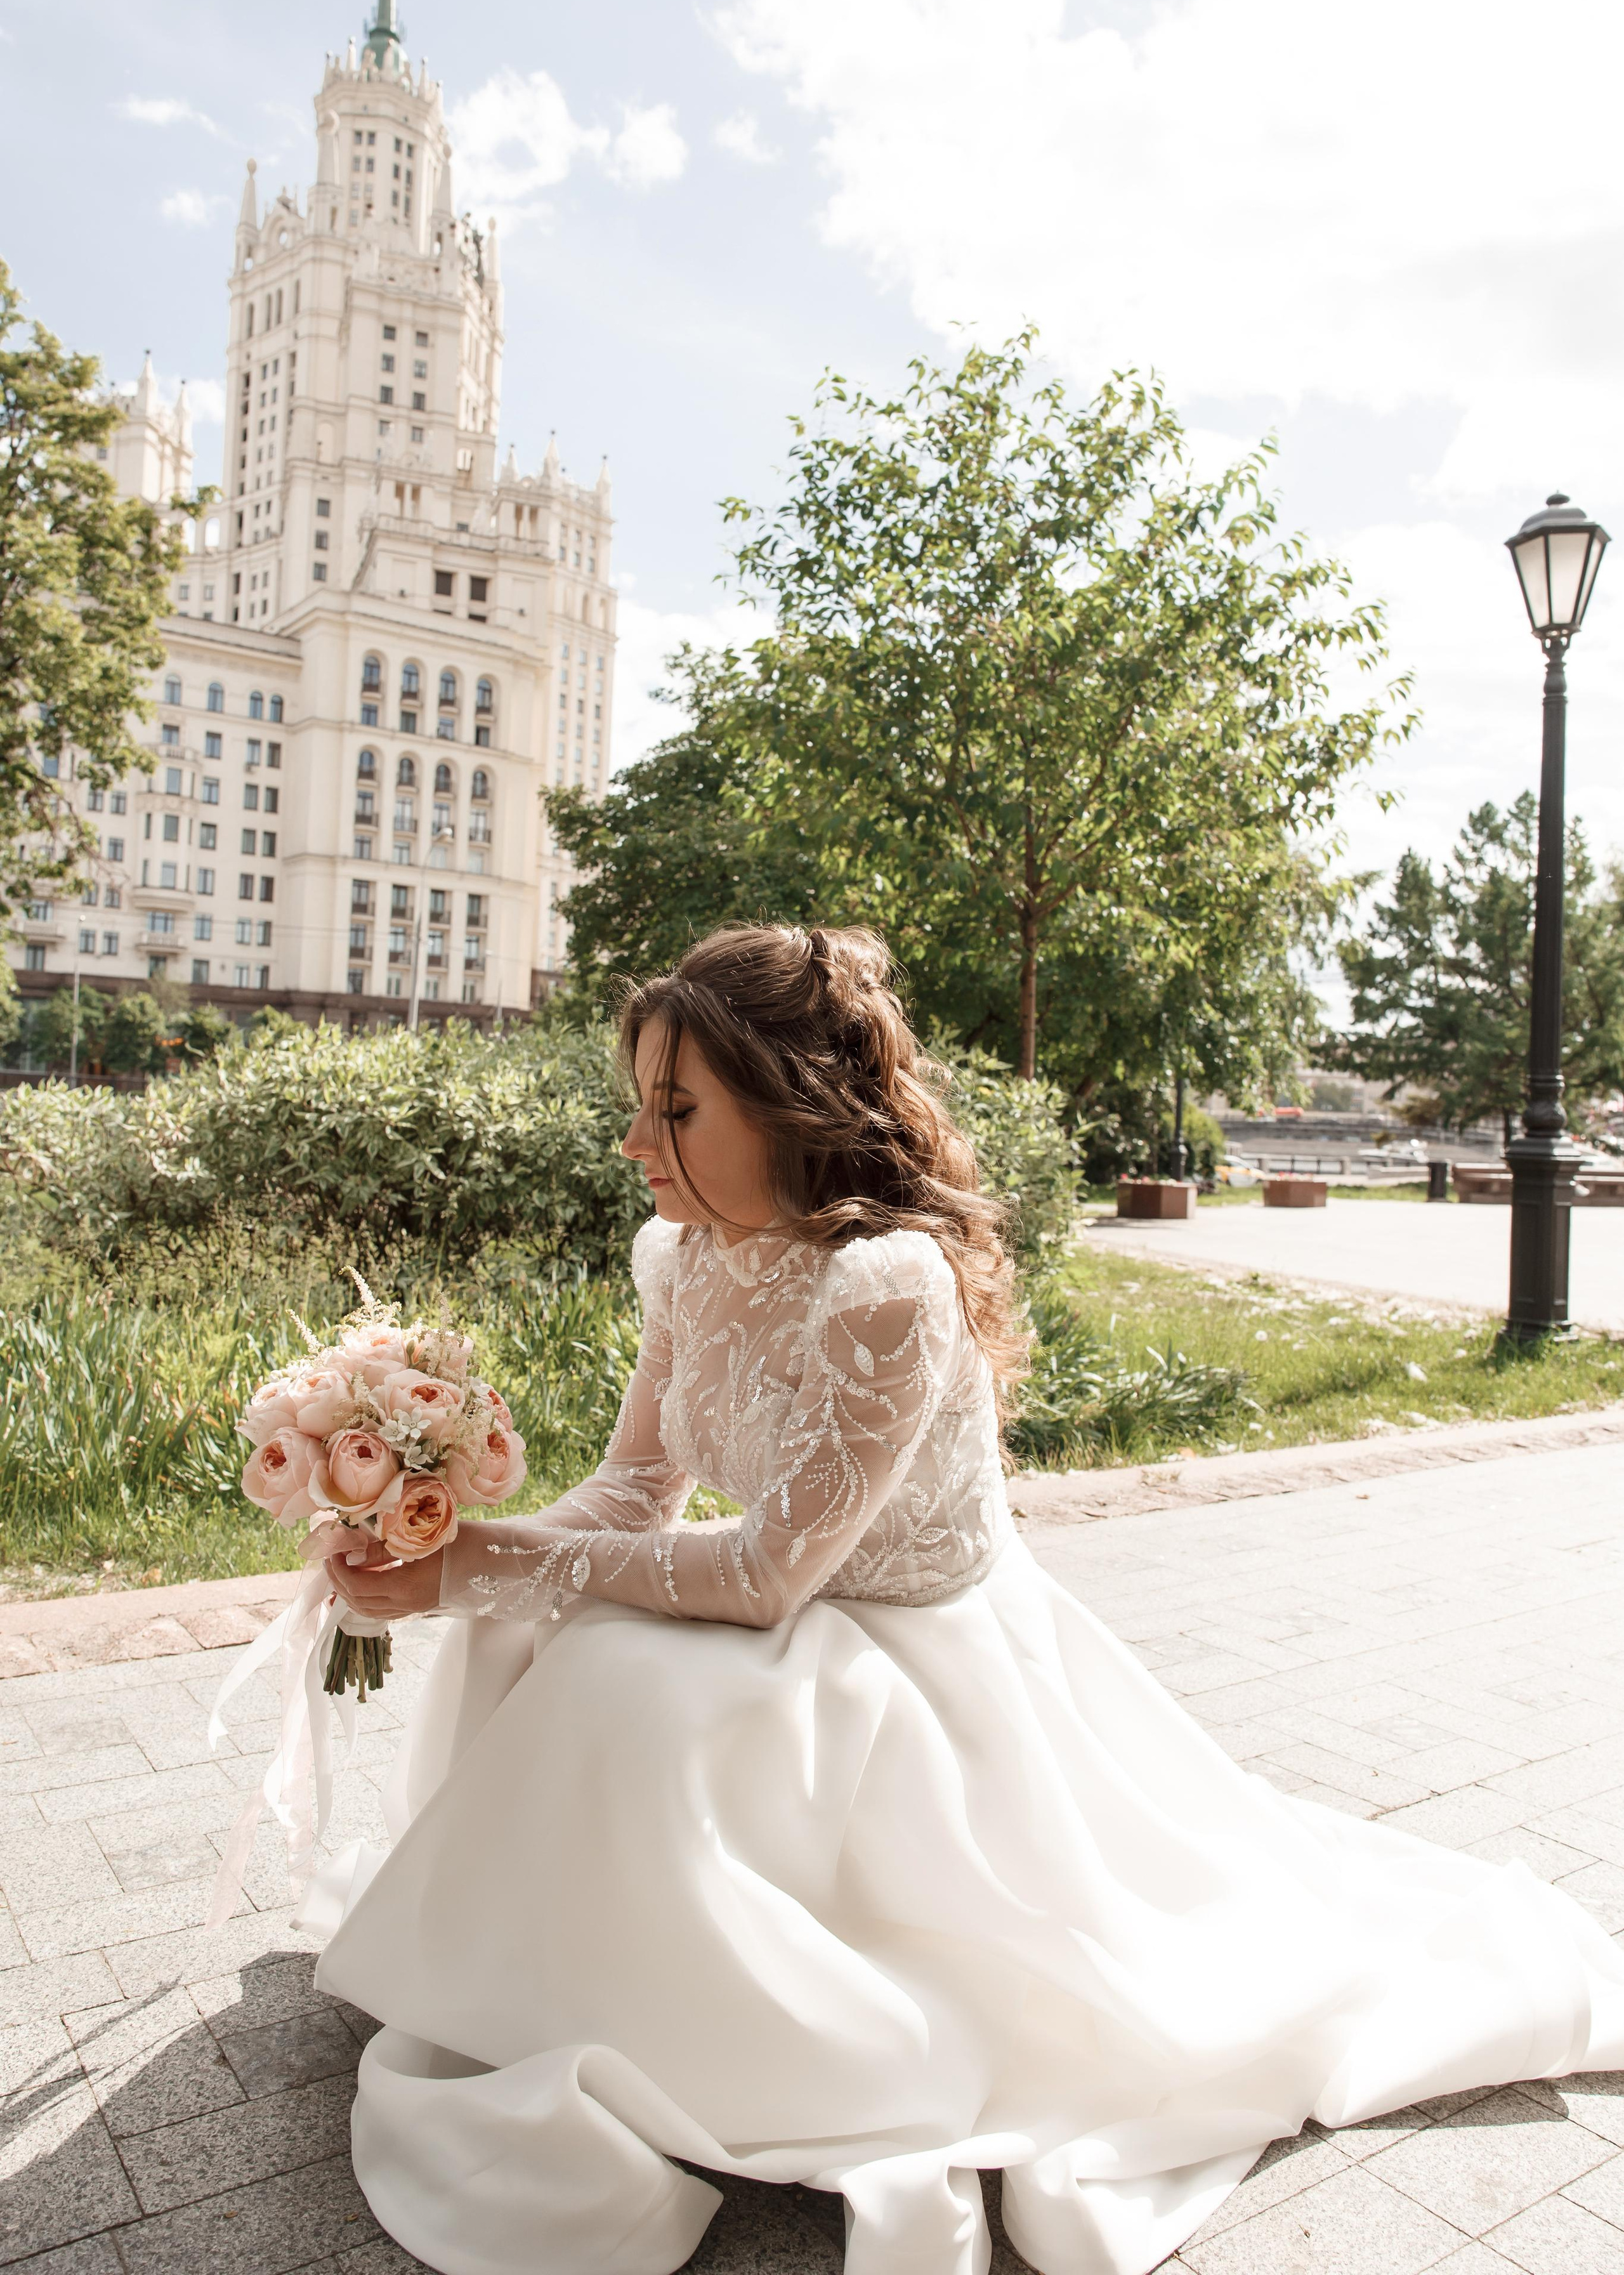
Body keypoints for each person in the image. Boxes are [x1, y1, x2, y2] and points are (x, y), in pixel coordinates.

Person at [313, 924, 1624, 2275]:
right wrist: (441, 1545)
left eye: (676, 1109)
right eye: (638, 1109)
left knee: (611, 1675)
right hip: (793, 1626)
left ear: (785, 1102)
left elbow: (766, 1579)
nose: (639, 1144)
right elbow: (631, 1496)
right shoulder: (683, 1252)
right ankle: (555, 1989)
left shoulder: (882, 1281)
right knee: (535, 1625)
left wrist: (482, 1568)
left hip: (915, 1663)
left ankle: (732, 2037)